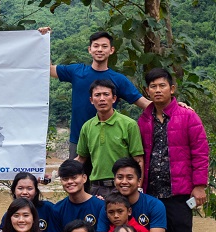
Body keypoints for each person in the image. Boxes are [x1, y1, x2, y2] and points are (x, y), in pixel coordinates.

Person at [137, 68, 211, 232]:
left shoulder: (187, 116)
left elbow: (200, 152)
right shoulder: (143, 120)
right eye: (153, 87)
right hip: (152, 195)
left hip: (179, 193)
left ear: (172, 88)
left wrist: (199, 185)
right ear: (147, 91)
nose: (158, 90)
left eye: (162, 86)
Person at [40, 29, 148, 158]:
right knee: (76, 177)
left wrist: (174, 107)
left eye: (104, 46)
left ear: (111, 50)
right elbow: (50, 69)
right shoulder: (77, 71)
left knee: (106, 177)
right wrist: (42, 40)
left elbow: (144, 103)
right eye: (96, 46)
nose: (100, 49)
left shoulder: (119, 79)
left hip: (108, 140)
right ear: (89, 49)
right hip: (78, 139)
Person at [75, 79, 144, 197]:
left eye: (106, 94)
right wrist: (61, 173)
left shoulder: (129, 124)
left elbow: (138, 160)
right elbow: (81, 159)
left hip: (123, 186)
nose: (102, 99)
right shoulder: (87, 127)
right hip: (96, 188)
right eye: (97, 95)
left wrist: (138, 188)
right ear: (91, 100)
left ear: (114, 98)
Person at [50, 159, 105, 232]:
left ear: (84, 178)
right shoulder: (57, 209)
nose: (70, 181)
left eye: (74, 177)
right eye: (65, 179)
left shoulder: (100, 206)